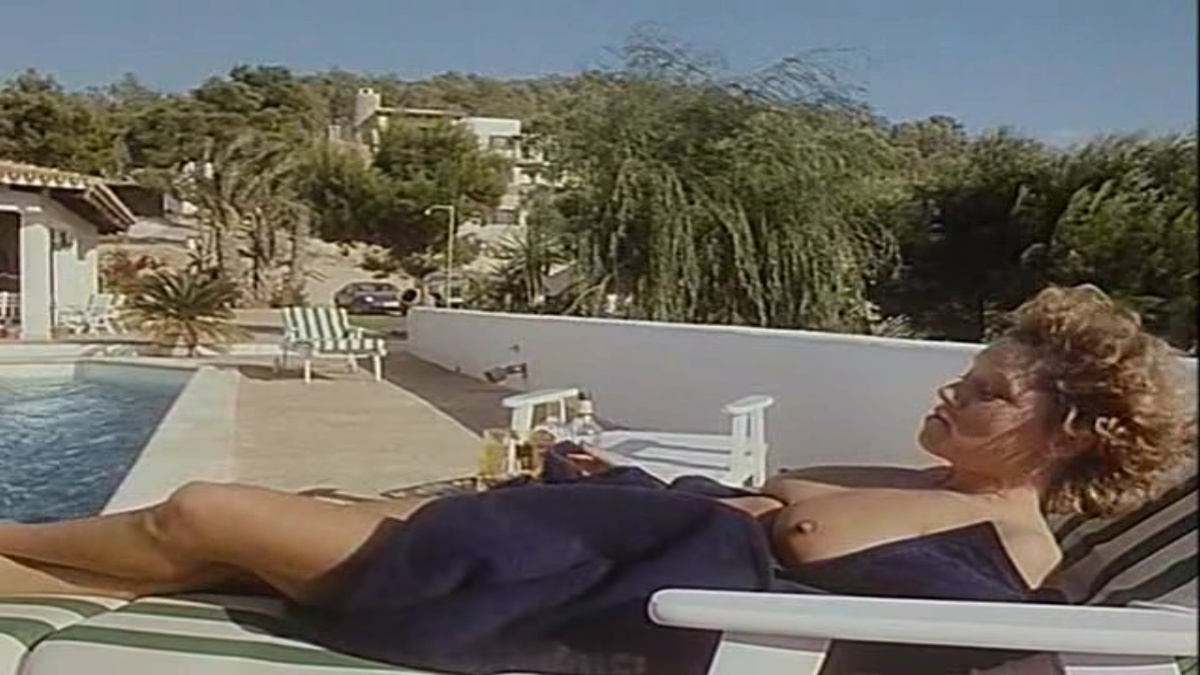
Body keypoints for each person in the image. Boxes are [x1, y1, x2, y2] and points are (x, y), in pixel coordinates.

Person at [0, 284, 1193, 674]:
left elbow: (972, 648)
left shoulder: (1010, 567)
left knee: (201, 513)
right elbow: (766, 504)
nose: (949, 394)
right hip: (537, 537)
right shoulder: (913, 481)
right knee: (204, 550)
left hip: (538, 591)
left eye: (985, 392)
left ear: (1070, 434)